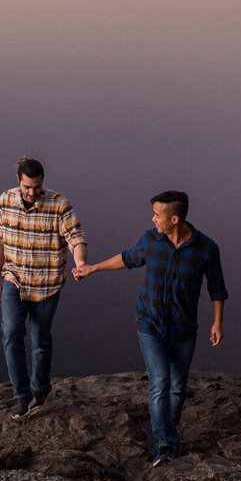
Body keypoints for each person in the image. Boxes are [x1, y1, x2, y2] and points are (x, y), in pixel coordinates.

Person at [73, 190, 227, 466]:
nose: (153, 219)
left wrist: (217, 322)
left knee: (178, 387)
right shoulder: (150, 240)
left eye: (158, 215)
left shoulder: (206, 249)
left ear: (175, 219)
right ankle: (165, 444)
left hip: (183, 329)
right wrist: (92, 268)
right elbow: (127, 258)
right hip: (150, 324)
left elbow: (217, 289)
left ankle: (167, 424)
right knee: (160, 383)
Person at [0, 157, 87, 419]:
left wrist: (79, 262)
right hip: (14, 279)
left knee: (40, 341)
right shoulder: (5, 200)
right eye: (27, 187)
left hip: (47, 284)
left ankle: (41, 389)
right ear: (18, 182)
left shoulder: (59, 204)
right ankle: (21, 395)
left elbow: (76, 238)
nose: (32, 193)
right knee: (11, 333)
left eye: (37, 187)